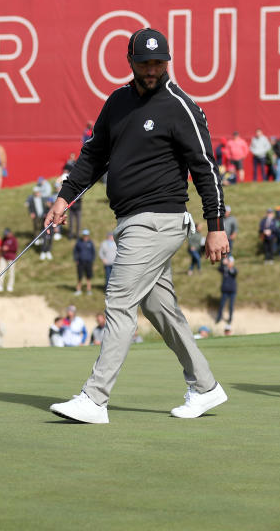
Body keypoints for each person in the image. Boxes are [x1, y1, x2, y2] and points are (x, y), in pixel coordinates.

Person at [47, 27, 229, 424]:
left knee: (119, 299)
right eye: (145, 63)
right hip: (129, 220)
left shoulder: (181, 105)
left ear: (167, 61)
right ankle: (205, 386)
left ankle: (95, 399)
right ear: (130, 62)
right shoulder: (117, 102)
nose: (152, 70)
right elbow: (93, 156)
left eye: (158, 62)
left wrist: (216, 225)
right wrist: (65, 197)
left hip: (159, 220)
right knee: (160, 308)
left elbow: (205, 169)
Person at [26, 188, 52, 260]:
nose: (37, 193)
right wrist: (31, 213)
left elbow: (48, 203)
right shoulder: (32, 199)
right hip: (36, 215)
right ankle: (37, 238)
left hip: (43, 216)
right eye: (36, 192)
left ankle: (43, 244)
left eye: (38, 192)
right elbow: (30, 207)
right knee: (36, 227)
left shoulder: (43, 199)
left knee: (41, 227)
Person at [216, 255, 238, 330]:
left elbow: (234, 273)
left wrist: (229, 266)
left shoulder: (233, 270)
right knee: (221, 305)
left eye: (230, 262)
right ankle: (219, 318)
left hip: (232, 291)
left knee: (231, 306)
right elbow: (219, 269)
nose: (229, 263)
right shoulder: (224, 269)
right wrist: (223, 263)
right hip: (225, 290)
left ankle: (230, 319)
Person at [73, 229, 96, 296]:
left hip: (88, 262)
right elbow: (75, 251)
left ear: (88, 236)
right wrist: (76, 259)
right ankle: (78, 290)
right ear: (83, 236)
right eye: (84, 235)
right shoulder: (79, 242)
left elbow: (93, 252)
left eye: (87, 235)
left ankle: (88, 290)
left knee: (88, 277)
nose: (85, 237)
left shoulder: (90, 243)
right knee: (80, 276)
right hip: (80, 262)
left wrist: (92, 260)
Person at [0, 228, 18, 293]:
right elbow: (1, 247)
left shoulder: (13, 239)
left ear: (10, 233)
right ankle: (0, 285)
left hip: (11, 258)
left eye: (7, 234)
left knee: (11, 273)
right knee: (1, 271)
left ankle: (10, 286)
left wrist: (8, 248)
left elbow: (15, 248)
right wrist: (2, 249)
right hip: (3, 257)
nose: (6, 235)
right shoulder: (4, 239)